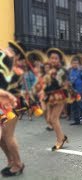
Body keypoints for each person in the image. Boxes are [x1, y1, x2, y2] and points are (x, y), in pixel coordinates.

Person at [0, 41, 26, 177]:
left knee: (8, 137)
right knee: (1, 138)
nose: (6, 51)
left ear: (17, 57)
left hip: (11, 106)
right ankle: (11, 161)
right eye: (7, 48)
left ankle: (18, 164)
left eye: (10, 50)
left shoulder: (16, 71)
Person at [44, 48, 69, 151]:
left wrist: (52, 76)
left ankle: (60, 140)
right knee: (49, 119)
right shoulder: (49, 70)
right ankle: (62, 136)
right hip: (50, 96)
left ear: (59, 60)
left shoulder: (61, 70)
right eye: (52, 58)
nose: (53, 60)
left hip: (59, 95)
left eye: (56, 58)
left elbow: (60, 84)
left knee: (54, 119)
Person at [68, 55, 82, 126]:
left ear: (78, 64)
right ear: (71, 64)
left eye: (76, 63)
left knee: (81, 106)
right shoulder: (71, 71)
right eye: (73, 63)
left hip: (79, 91)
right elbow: (69, 81)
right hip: (73, 92)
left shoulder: (81, 71)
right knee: (74, 106)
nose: (75, 64)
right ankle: (77, 120)